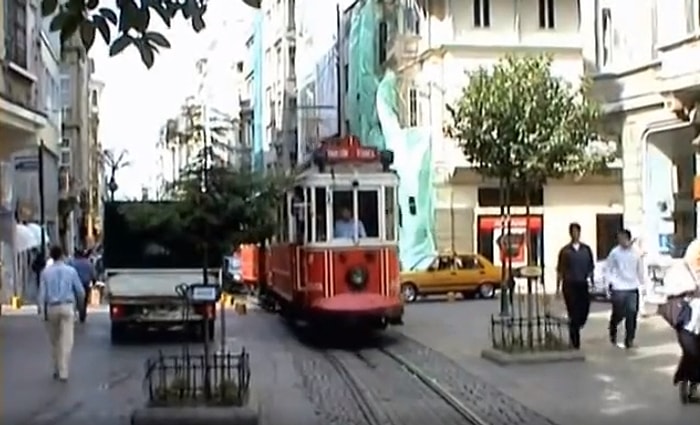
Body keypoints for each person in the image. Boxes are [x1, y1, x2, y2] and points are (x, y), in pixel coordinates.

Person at [37, 245, 85, 382]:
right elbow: (80, 291)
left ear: (51, 256)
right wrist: (80, 307)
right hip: (67, 306)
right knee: (67, 341)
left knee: (55, 340)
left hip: (52, 308)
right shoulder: (71, 271)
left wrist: (42, 311)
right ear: (63, 255)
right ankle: (64, 370)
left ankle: (56, 368)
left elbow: (42, 294)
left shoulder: (45, 272)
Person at [556, 222, 595, 349]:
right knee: (573, 313)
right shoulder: (565, 251)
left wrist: (592, 282)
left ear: (580, 233)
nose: (575, 234)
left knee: (583, 311)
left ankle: (577, 325)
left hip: (582, 284)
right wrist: (557, 288)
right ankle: (574, 340)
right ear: (570, 233)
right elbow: (560, 270)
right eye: (572, 232)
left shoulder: (586, 250)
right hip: (569, 285)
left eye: (577, 231)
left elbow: (591, 267)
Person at [606, 228, 645, 349]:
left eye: (623, 238)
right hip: (619, 288)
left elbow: (640, 269)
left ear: (628, 238)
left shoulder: (636, 253)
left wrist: (643, 285)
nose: (621, 241)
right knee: (619, 313)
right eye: (619, 239)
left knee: (632, 314)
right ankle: (613, 327)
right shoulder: (614, 253)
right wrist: (609, 285)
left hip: (632, 287)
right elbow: (609, 269)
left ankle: (629, 340)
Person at [68, 249, 97, 323]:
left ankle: (74, 313)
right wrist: (94, 281)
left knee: (74, 299)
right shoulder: (88, 263)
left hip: (75, 284)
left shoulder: (73, 263)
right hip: (85, 284)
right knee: (84, 300)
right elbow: (93, 272)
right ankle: (82, 314)